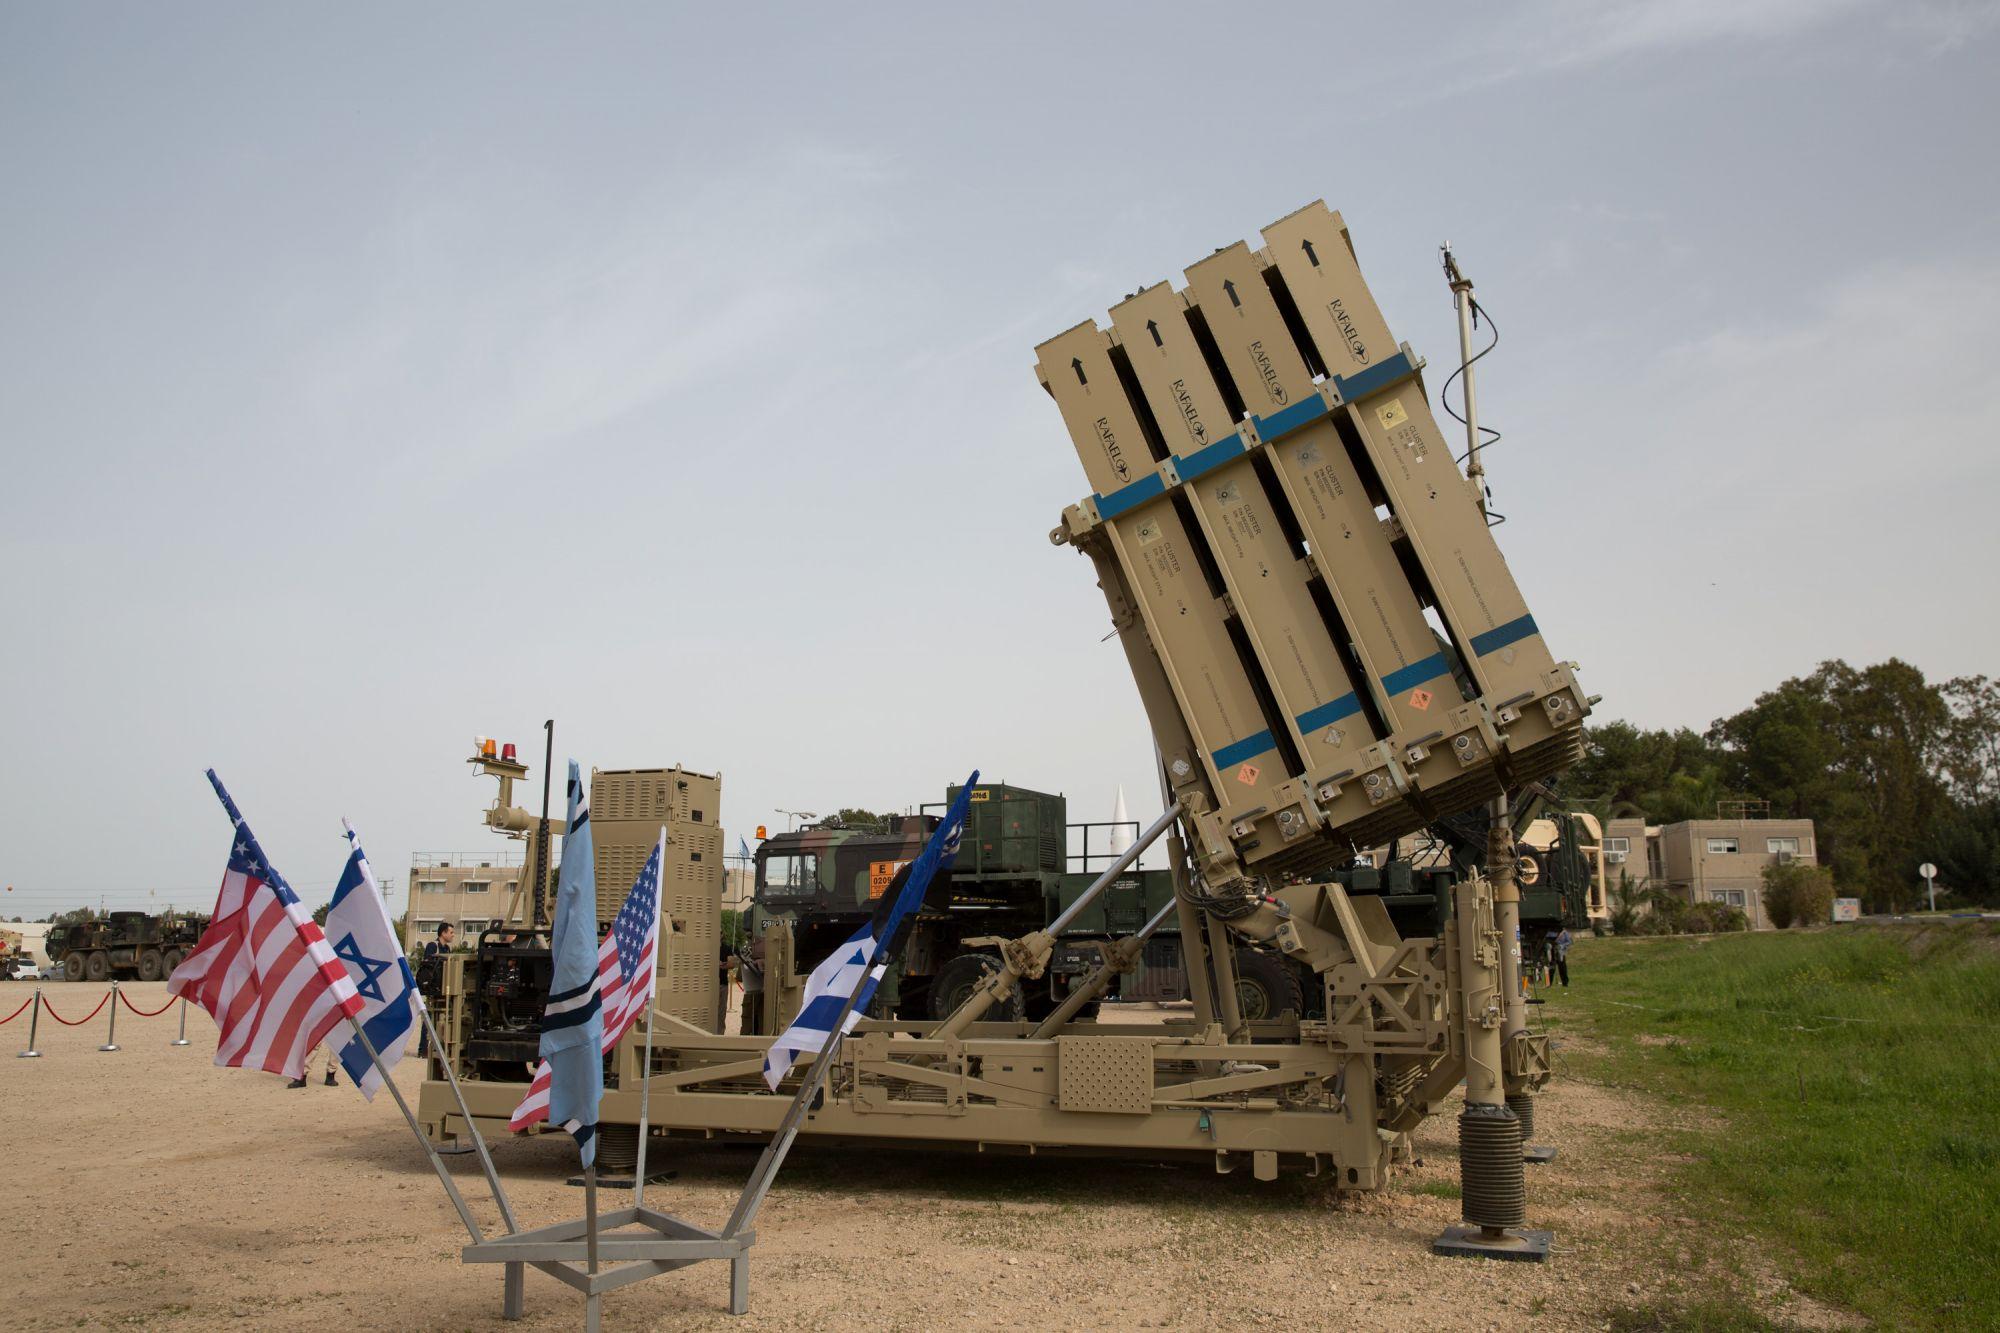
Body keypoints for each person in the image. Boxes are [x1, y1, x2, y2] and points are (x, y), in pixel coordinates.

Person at [415, 922, 456, 1057]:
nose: (453, 935)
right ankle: (423, 1050)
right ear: (443, 933)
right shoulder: (433, 946)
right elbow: (428, 966)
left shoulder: (447, 949)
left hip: (444, 988)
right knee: (429, 1018)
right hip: (433, 989)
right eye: (451, 932)